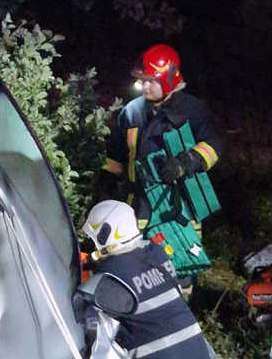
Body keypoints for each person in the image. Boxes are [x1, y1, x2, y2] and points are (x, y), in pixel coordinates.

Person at [82, 199, 213, 359]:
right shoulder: (156, 253)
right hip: (195, 353)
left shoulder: (112, 273)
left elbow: (88, 307)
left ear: (106, 234)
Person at [96, 44, 224, 233]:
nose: (145, 87)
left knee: (181, 260)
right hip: (138, 208)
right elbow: (116, 154)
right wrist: (106, 184)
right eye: (142, 81)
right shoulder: (132, 112)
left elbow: (215, 145)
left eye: (151, 81)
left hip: (181, 209)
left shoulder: (192, 110)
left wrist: (184, 163)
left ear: (169, 80)